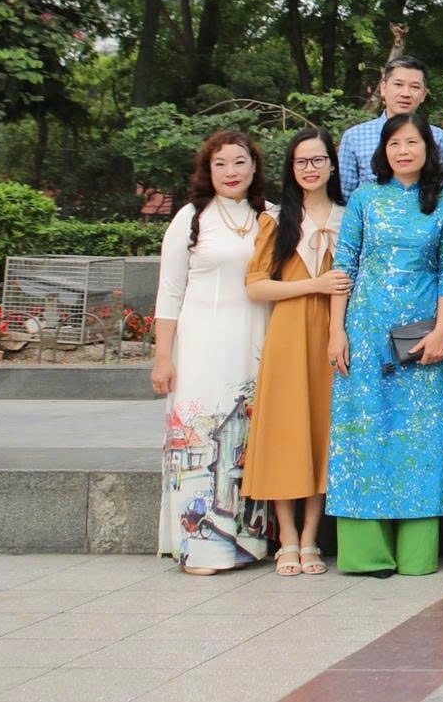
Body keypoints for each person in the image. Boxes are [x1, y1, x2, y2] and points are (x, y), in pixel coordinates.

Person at [327, 112, 443, 577]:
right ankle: (366, 554)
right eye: (395, 143)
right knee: (362, 433)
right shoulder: (364, 199)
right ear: (383, 151)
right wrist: (336, 330)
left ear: (429, 149)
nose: (404, 151)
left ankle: (416, 553)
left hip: (421, 334)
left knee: (417, 437)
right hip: (364, 329)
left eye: (413, 143)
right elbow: (343, 268)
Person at [152, 129, 276, 574]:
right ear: (208, 169)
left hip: (255, 340)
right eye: (220, 163)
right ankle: (197, 549)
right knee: (205, 435)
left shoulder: (270, 217)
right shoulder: (190, 218)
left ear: (255, 167)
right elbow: (169, 294)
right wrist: (163, 357)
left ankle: (252, 543)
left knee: (248, 440)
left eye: (239, 162)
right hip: (202, 343)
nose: (231, 171)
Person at [244, 127, 350, 577]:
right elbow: (255, 285)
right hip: (288, 335)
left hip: (332, 334)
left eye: (318, 160)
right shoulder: (275, 220)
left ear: (332, 164)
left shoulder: (349, 217)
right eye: (301, 161)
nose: (310, 168)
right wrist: (314, 285)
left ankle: (311, 537)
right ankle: (286, 536)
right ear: (291, 168)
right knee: (286, 432)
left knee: (321, 431)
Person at [338, 55, 442, 198]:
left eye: (414, 87)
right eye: (398, 84)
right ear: (383, 88)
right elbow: (343, 196)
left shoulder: (440, 138)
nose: (405, 93)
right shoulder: (354, 138)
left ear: (423, 94)